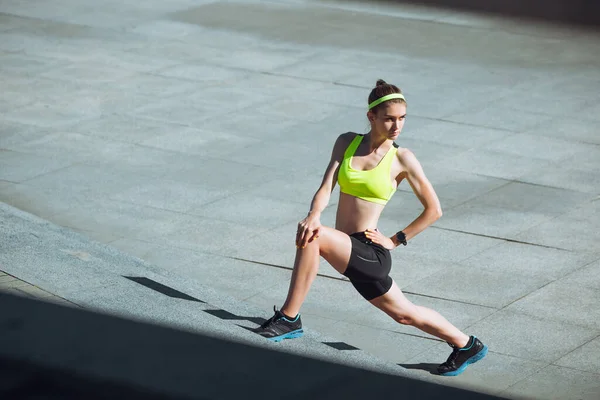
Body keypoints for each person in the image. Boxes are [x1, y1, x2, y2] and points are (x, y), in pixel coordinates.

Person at [253, 79, 488, 376]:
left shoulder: (402, 158)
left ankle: (289, 318)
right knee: (404, 314)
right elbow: (327, 186)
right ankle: (467, 344)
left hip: (369, 251)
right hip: (347, 246)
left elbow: (434, 210)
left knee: (315, 236)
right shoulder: (346, 142)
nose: (396, 126)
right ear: (371, 117)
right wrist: (314, 212)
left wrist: (395, 239)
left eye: (402, 118)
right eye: (389, 118)